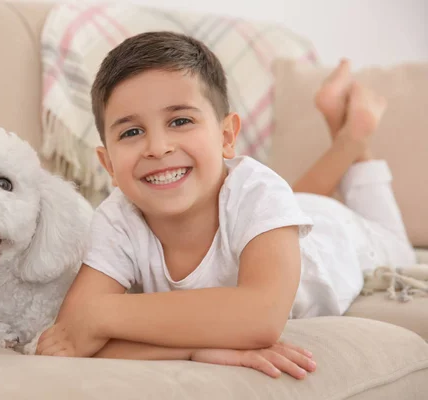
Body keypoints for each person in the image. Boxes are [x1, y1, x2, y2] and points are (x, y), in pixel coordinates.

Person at [34, 32, 416, 379]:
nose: (158, 147)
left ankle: (355, 137)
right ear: (109, 165)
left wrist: (102, 314)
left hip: (340, 239)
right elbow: (70, 339)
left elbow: (260, 317)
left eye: (180, 120)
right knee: (296, 199)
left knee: (394, 245)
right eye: (132, 132)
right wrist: (195, 348)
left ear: (227, 136)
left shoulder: (258, 191)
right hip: (283, 214)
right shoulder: (117, 218)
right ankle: (345, 131)